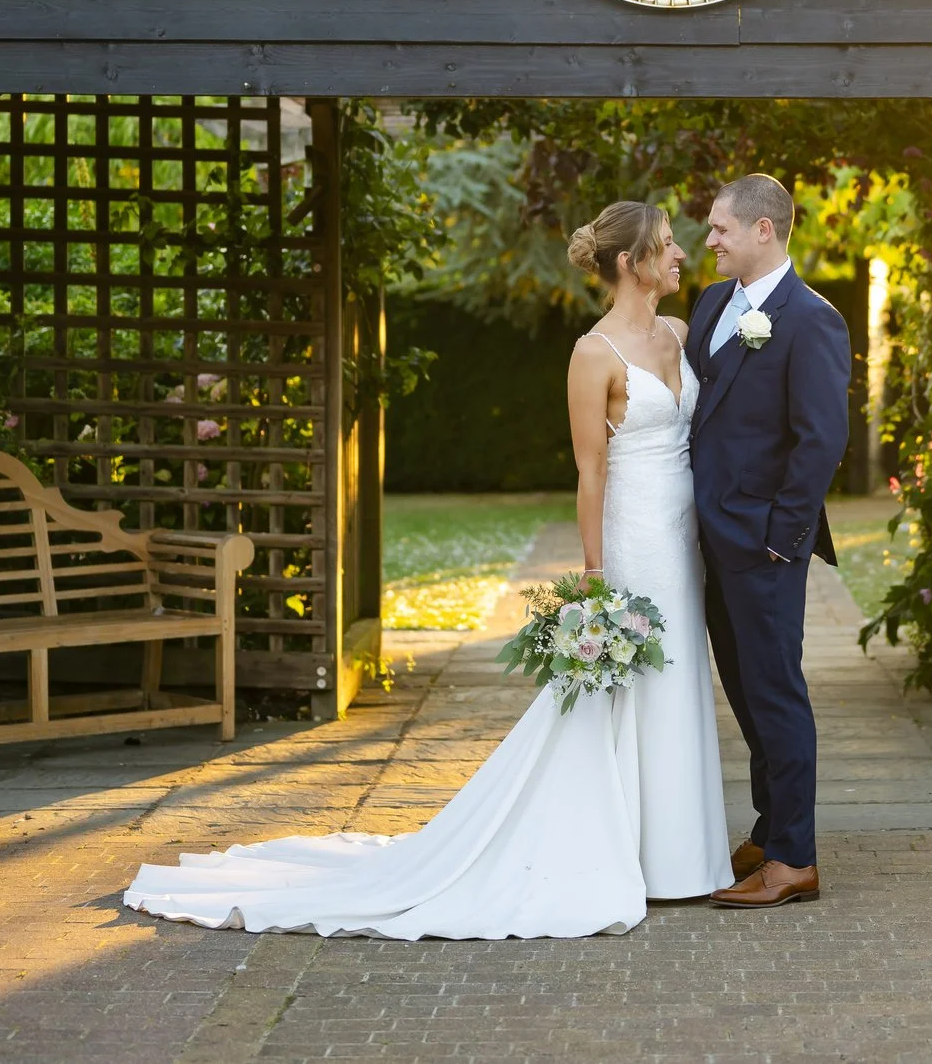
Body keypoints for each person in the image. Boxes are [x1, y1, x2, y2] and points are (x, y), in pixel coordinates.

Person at [122, 201, 729, 938]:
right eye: (665, 245)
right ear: (631, 263)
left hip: (682, 537)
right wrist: (595, 573)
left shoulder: (682, 332)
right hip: (634, 538)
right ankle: (629, 855)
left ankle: (683, 858)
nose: (678, 254)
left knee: (680, 680)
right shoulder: (592, 353)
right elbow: (589, 470)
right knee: (632, 687)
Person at [685, 173, 852, 910]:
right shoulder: (711, 304)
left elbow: (821, 441)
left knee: (778, 692)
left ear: (764, 230)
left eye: (720, 228)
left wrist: (784, 540)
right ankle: (769, 824)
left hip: (764, 545)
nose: (709, 240)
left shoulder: (812, 318)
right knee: (747, 692)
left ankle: (795, 858)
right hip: (708, 540)